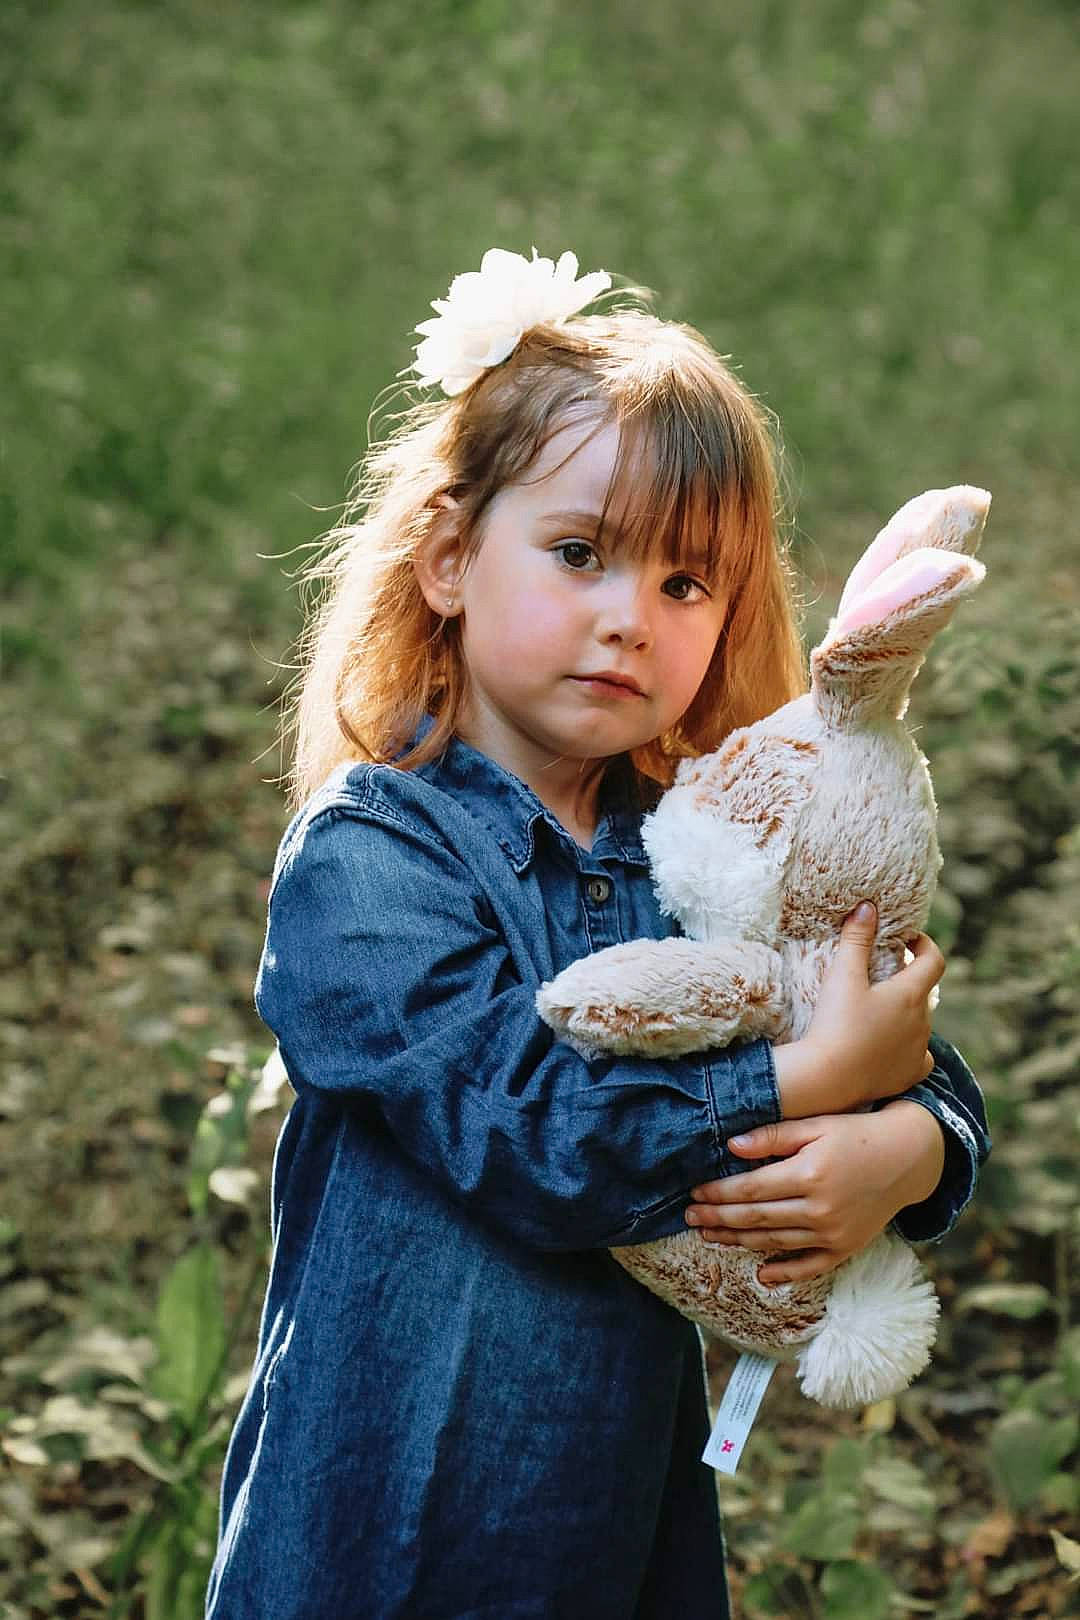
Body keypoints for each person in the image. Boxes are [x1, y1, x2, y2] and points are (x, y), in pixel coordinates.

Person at [205, 249, 989, 1619]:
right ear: (450, 558)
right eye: (580, 554)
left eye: (690, 585)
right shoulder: (372, 858)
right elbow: (531, 1127)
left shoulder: (694, 846)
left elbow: (895, 1034)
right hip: (377, 1534)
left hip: (612, 1534)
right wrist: (799, 1084)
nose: (633, 615)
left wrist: (910, 1146)